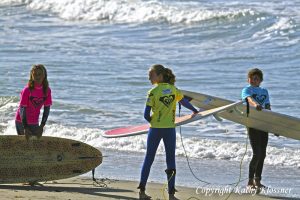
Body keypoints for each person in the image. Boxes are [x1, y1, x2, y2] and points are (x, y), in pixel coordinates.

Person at [138, 64, 198, 200]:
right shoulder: (173, 89)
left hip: (155, 130)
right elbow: (183, 102)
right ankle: (171, 195)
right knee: (170, 160)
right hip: (169, 130)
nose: (149, 78)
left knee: (149, 159)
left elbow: (146, 114)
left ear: (159, 76)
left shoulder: (152, 92)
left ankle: (142, 192)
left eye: (151, 75)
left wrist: (154, 122)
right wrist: (194, 110)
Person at [241, 68, 271, 190]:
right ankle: (249, 182)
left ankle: (257, 181)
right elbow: (248, 99)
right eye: (252, 78)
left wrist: (274, 126)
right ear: (248, 79)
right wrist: (255, 105)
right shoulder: (246, 89)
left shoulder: (265, 91)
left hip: (264, 123)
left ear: (260, 80)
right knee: (256, 153)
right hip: (252, 123)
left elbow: (268, 107)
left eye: (256, 78)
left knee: (263, 154)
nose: (254, 80)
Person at [15, 64, 52, 140]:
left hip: (34, 122)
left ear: (44, 75)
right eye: (35, 74)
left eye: (40, 74)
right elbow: (22, 109)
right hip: (21, 121)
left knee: (35, 145)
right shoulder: (27, 90)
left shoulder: (47, 90)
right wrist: (25, 127)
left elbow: (47, 109)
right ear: (31, 76)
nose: (37, 77)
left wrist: (41, 126)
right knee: (25, 145)